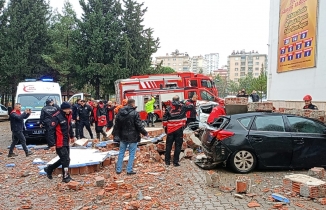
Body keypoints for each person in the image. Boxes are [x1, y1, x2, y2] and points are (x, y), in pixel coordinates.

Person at [112, 99, 149, 175]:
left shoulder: (120, 112)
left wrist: (115, 134)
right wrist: (145, 133)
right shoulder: (135, 113)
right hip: (133, 136)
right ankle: (129, 170)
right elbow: (139, 125)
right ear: (133, 104)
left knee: (121, 152)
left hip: (122, 136)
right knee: (132, 153)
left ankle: (118, 169)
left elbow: (116, 125)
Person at [44, 102, 74, 183]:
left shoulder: (68, 115)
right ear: (64, 109)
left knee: (66, 159)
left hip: (66, 140)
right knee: (65, 159)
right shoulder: (56, 117)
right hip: (59, 141)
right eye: (68, 109)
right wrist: (52, 144)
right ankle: (65, 177)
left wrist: (72, 136)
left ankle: (49, 168)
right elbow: (50, 131)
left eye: (70, 109)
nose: (69, 110)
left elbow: (69, 126)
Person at [163, 95, 193, 167]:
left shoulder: (168, 108)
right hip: (179, 130)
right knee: (178, 146)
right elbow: (192, 106)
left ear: (172, 100)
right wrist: (186, 101)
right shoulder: (183, 107)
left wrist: (166, 129)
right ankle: (175, 162)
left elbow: (164, 120)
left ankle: (167, 161)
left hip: (170, 130)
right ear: (179, 100)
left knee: (168, 146)